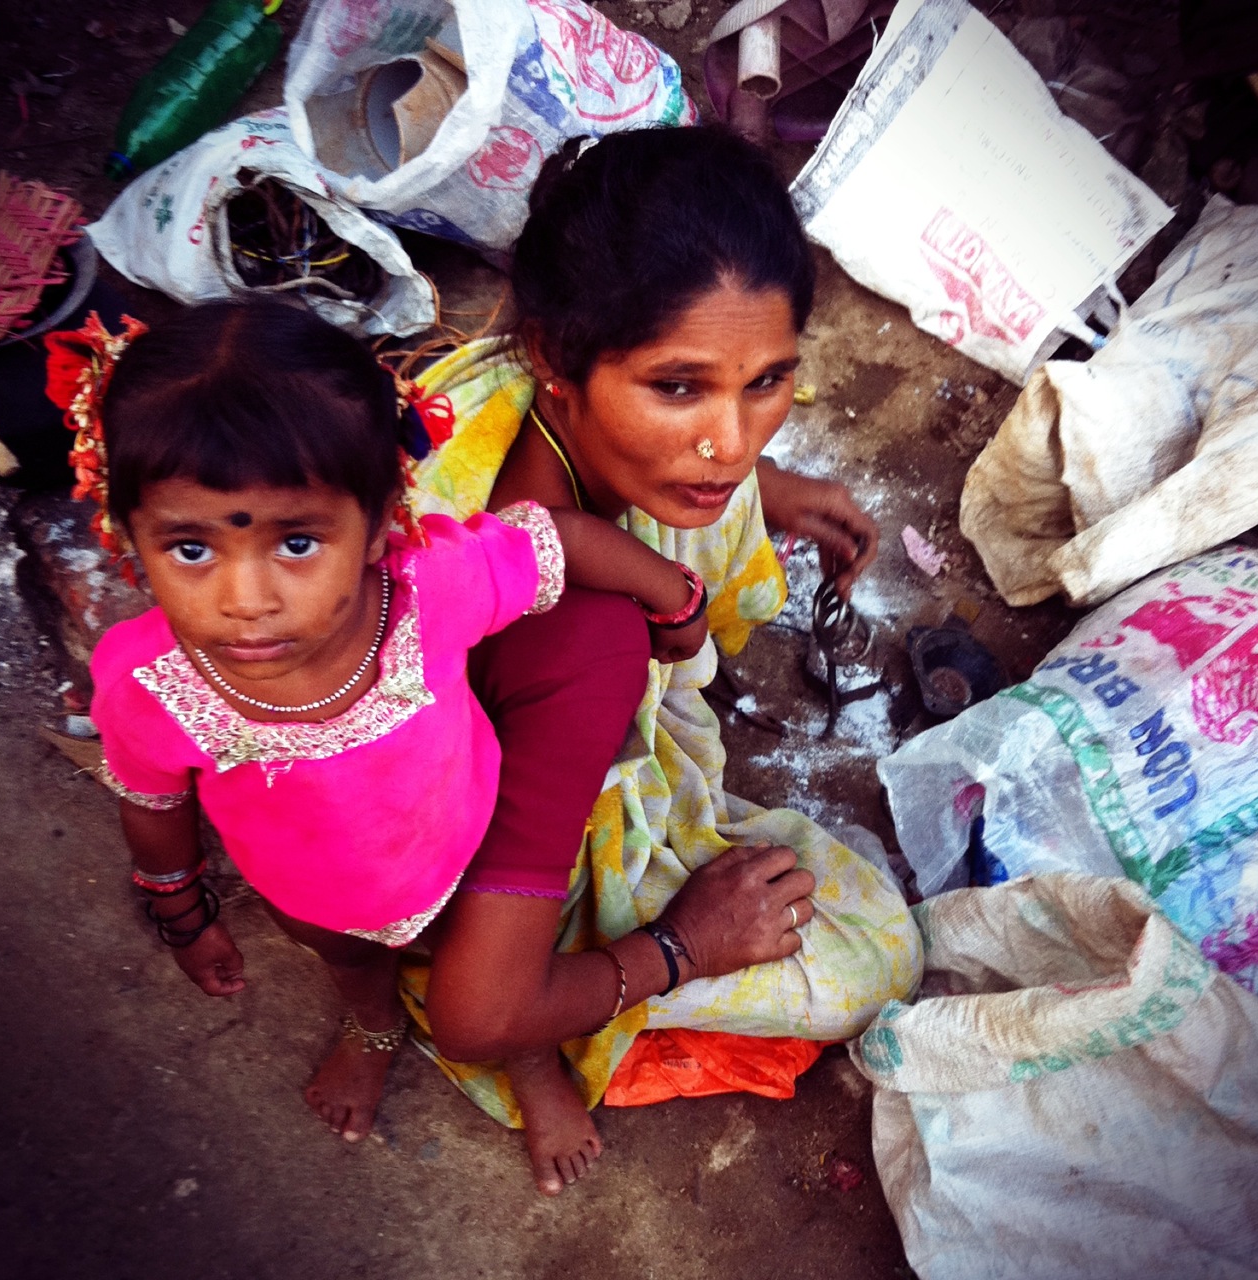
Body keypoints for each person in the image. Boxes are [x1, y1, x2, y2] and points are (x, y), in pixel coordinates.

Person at [61, 298, 715, 1167]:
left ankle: (528, 1051)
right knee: (350, 963)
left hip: (470, 848)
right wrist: (182, 912)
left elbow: (553, 540)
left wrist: (677, 599)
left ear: (376, 525)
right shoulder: (148, 684)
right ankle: (373, 1026)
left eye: (298, 543)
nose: (245, 600)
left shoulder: (429, 588)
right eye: (190, 549)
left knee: (496, 961)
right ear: (128, 536)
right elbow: (152, 803)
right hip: (307, 897)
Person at [399, 125, 924, 1195]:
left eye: (766, 380)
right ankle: (549, 1051)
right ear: (554, 358)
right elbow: (475, 1011)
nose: (731, 444)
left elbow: (713, 454)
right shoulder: (562, 641)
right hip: (477, 900)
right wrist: (683, 946)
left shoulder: (501, 409)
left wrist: (776, 494)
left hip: (556, 721)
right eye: (678, 387)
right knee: (878, 961)